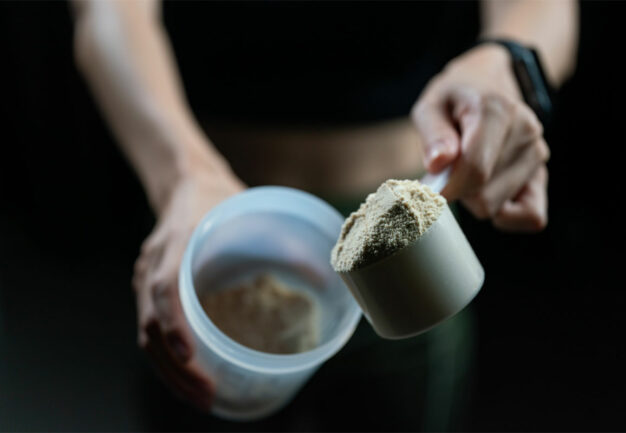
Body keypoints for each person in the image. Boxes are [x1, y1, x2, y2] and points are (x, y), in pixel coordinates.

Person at [70, 0, 578, 429]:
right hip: (209, 229)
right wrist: (182, 175)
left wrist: (506, 60)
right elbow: (109, 15)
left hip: (407, 253)